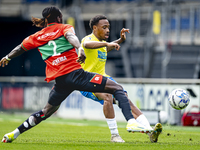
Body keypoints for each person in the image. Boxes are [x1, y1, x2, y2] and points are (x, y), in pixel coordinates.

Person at [0, 6, 150, 143]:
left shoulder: (36, 36)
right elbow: (71, 37)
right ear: (58, 17)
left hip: (60, 82)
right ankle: (131, 121)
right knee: (117, 88)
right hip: (77, 75)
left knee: (45, 112)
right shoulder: (64, 27)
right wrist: (79, 47)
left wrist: (7, 57)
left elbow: (20, 48)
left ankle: (15, 133)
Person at [79, 15, 162, 143]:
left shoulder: (101, 44)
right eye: (104, 27)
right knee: (107, 96)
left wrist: (120, 40)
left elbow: (107, 47)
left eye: (109, 27)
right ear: (94, 28)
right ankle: (115, 136)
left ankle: (149, 130)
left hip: (103, 78)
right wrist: (106, 43)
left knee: (125, 98)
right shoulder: (89, 39)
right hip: (87, 81)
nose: (107, 30)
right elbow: (86, 44)